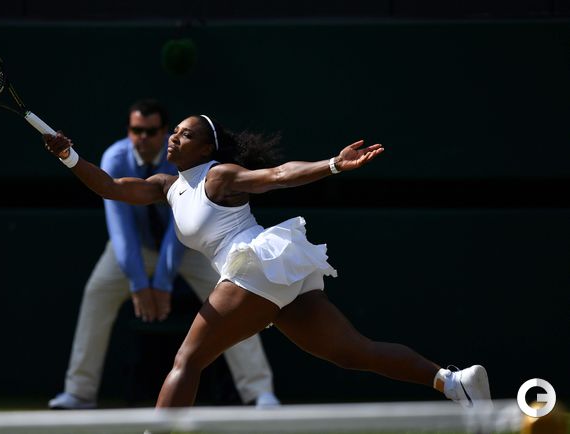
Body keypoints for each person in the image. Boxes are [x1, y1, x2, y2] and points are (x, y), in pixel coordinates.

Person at [43, 114, 491, 409]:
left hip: (253, 265)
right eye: (174, 131)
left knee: (187, 360)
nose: (174, 137)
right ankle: (454, 383)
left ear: (206, 149)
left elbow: (276, 176)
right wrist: (68, 155)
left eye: (186, 134)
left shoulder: (220, 176)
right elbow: (110, 187)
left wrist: (333, 164)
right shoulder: (166, 185)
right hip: (271, 273)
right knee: (353, 352)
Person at [48, 100, 280, 410]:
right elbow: (120, 223)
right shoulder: (116, 157)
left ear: (163, 132)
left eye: (151, 131)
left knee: (237, 297)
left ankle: (260, 392)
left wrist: (161, 282)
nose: (142, 137)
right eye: (136, 130)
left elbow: (181, 230)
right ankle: (79, 392)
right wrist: (138, 283)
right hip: (134, 249)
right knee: (97, 293)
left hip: (192, 246)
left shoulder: (183, 159)